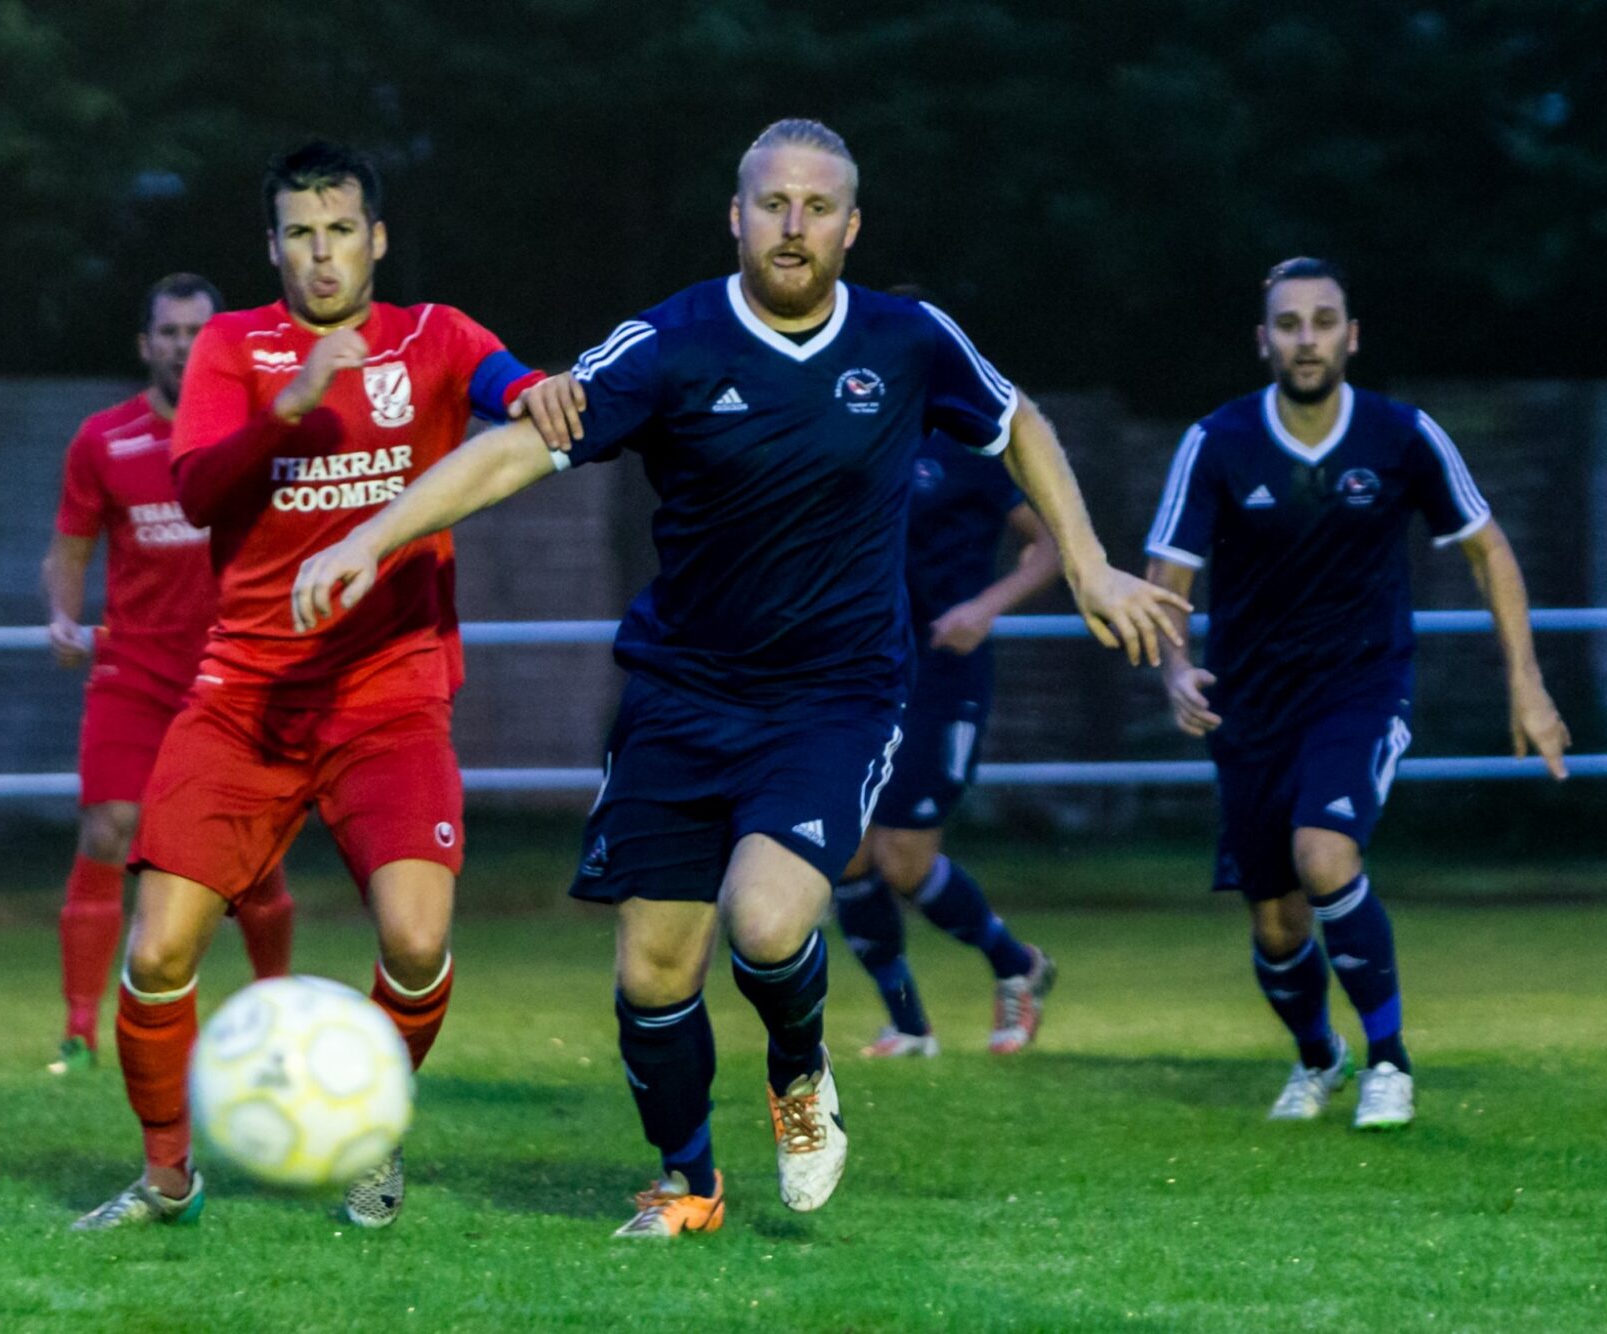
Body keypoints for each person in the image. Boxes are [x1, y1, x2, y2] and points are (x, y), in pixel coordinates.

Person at [292, 118, 1188, 1238]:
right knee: (654, 970)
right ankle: (687, 1184)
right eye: (772, 203)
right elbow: (519, 446)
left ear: (850, 228)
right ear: (735, 216)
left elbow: (1019, 426)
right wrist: (366, 538)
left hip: (834, 694)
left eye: (818, 208)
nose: (793, 226)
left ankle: (800, 1075)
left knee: (765, 922)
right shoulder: (669, 342)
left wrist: (1092, 561)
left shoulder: (907, 339)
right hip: (679, 692)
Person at [73, 143, 571, 1232]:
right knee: (156, 948)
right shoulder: (229, 344)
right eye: (300, 233)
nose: (321, 252)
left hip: (389, 693)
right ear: (272, 247)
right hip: (244, 696)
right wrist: (287, 408)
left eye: (340, 228)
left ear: (375, 238)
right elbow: (198, 492)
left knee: (413, 940)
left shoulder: (433, 334)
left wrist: (548, 393)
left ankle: (371, 1139)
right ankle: (166, 1177)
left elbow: (514, 388)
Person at [1144, 256, 1570, 1131]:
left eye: (1324, 321)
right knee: (1276, 927)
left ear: (1352, 335)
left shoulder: (1402, 435)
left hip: (1361, 687)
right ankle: (1317, 1059)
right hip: (1252, 704)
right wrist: (1177, 668)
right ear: (1264, 340)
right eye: (1290, 324)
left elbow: (1491, 551)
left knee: (1325, 853)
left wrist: (1528, 686)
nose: (1308, 339)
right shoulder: (1217, 442)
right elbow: (1166, 581)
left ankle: (1390, 1062)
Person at [43, 273, 294, 1078]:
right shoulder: (103, 440)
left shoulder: (257, 432)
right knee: (108, 830)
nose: (184, 346)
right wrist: (61, 612)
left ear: (221, 340)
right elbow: (72, 542)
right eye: (170, 333)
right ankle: (81, 1027)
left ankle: (276, 1011)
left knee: (252, 865)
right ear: (146, 344)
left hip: (237, 673)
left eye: (198, 331)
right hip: (134, 673)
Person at [831, 422, 1062, 1059]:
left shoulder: (970, 448)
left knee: (904, 859)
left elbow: (1052, 545)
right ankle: (908, 1024)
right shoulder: (861, 437)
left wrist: (985, 608)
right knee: (845, 852)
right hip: (863, 673)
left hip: (943, 674)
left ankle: (1019, 966)